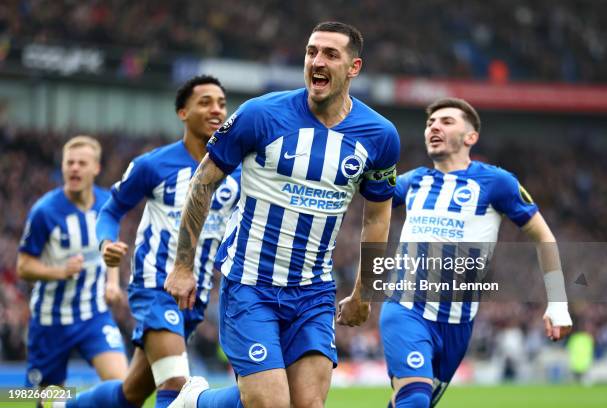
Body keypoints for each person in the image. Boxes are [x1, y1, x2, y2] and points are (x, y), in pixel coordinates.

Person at [166, 21, 400, 408]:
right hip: (250, 284)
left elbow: (377, 218)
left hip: (313, 292)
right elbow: (202, 183)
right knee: (268, 404)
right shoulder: (261, 114)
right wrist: (183, 266)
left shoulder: (379, 135)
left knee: (308, 405)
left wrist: (364, 293)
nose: (317, 61)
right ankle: (196, 402)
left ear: (354, 68)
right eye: (311, 52)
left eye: (330, 54)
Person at [378, 98, 573, 407]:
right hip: (406, 310)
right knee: (414, 399)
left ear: (470, 137)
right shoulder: (413, 181)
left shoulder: (497, 182)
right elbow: (369, 194)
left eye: (446, 121)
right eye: (430, 123)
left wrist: (558, 302)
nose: (434, 127)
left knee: (413, 401)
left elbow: (543, 236)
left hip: (458, 323)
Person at [66, 75, 239, 408]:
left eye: (221, 103)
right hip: (155, 286)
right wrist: (105, 244)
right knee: (176, 383)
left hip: (195, 296)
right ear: (182, 112)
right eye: (205, 102)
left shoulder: (236, 173)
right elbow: (110, 210)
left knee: (130, 393)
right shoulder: (153, 165)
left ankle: (61, 405)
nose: (216, 109)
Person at [17, 136, 128, 391]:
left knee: (123, 389)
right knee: (44, 398)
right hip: (50, 320)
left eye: (81, 163)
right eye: (69, 163)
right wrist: (60, 271)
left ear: (96, 168)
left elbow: (110, 247)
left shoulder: (106, 205)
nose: (74, 168)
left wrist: (112, 284)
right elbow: (23, 267)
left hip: (93, 315)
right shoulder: (44, 211)